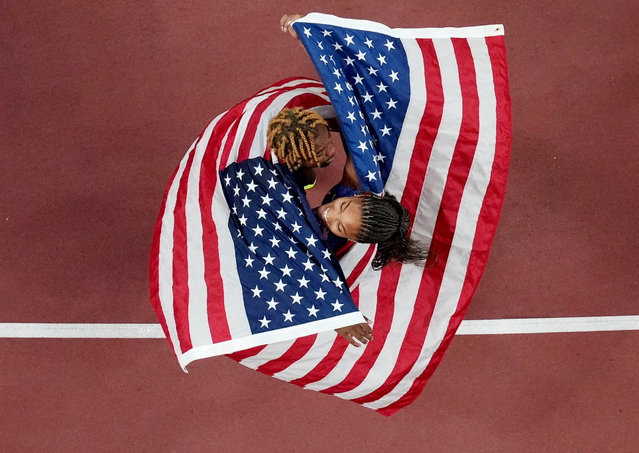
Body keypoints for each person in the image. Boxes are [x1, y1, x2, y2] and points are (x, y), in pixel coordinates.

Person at [267, 106, 429, 347]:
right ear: (356, 197)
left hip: (280, 234)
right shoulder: (350, 191)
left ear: (350, 239)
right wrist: (342, 111)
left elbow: (304, 283)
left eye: (340, 227)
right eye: (342, 206)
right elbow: (356, 150)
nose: (330, 214)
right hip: (297, 208)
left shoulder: (324, 249)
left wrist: (336, 315)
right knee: (305, 178)